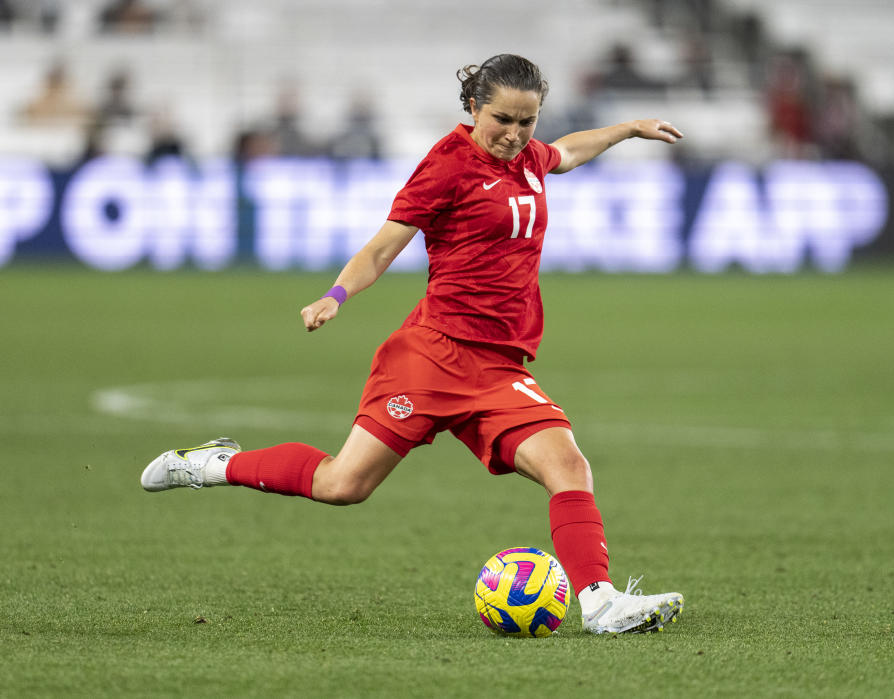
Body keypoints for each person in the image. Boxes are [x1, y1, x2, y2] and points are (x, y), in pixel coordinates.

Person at [141, 54, 685, 635]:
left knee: (569, 467)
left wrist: (627, 130)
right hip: (431, 358)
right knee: (342, 485)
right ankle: (214, 464)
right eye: (504, 119)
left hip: (499, 368)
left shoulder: (528, 156)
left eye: (528, 122)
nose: (516, 134)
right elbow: (381, 249)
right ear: (474, 106)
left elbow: (568, 153)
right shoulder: (446, 166)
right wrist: (336, 295)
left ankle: (600, 604)